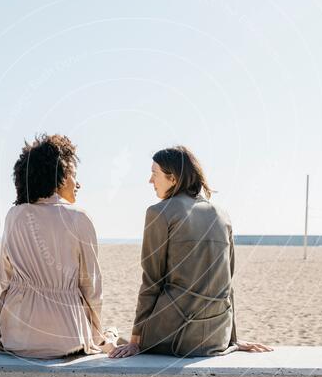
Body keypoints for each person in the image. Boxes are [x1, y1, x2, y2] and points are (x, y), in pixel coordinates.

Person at [109, 146, 273, 358]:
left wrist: (135, 341)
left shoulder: (159, 212)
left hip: (178, 334)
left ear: (173, 179)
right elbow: (226, 282)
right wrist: (232, 338)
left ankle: (112, 338)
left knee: (116, 342)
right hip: (217, 334)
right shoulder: (222, 214)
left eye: (154, 174)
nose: (150, 181)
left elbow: (151, 281)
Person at [0, 133, 119, 359]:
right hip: (66, 337)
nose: (78, 183)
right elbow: (91, 286)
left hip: (17, 337)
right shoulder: (79, 218)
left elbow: (5, 279)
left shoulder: (14, 215)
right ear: (58, 177)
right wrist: (97, 336)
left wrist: (1, 331)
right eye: (73, 175)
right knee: (113, 334)